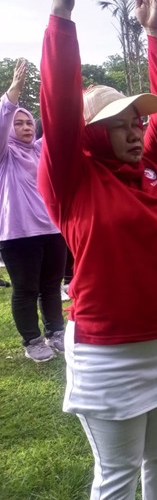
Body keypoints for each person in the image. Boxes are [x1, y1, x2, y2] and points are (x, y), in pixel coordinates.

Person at [38, 0, 157, 499]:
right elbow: (58, 110)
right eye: (120, 123)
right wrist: (61, 22)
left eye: (136, 121)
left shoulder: (152, 169)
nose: (136, 130)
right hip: (108, 354)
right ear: (89, 132)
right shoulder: (71, 181)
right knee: (118, 475)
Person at [0, 58, 66, 362]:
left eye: (29, 122)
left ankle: (56, 331)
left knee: (51, 286)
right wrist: (12, 95)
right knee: (26, 289)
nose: (26, 127)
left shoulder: (40, 151)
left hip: (53, 230)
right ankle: (32, 339)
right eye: (19, 122)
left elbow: (57, 128)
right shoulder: (6, 155)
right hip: (18, 235)